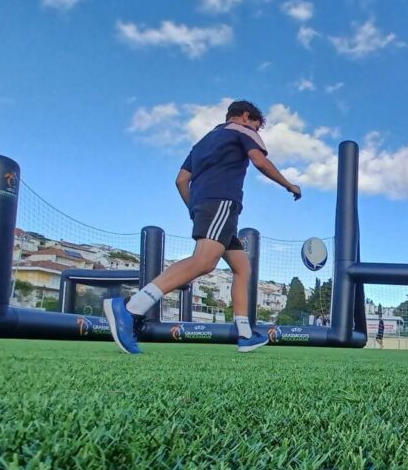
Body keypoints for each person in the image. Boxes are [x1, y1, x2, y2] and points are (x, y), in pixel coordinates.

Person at [104, 100, 301, 354]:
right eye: (256, 125)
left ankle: (244, 333)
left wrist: (193, 208)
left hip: (207, 206)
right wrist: (289, 185)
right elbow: (259, 162)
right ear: (244, 116)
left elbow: (181, 180)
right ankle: (131, 308)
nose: (257, 132)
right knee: (205, 262)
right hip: (222, 202)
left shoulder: (202, 142)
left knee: (242, 267)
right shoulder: (243, 131)